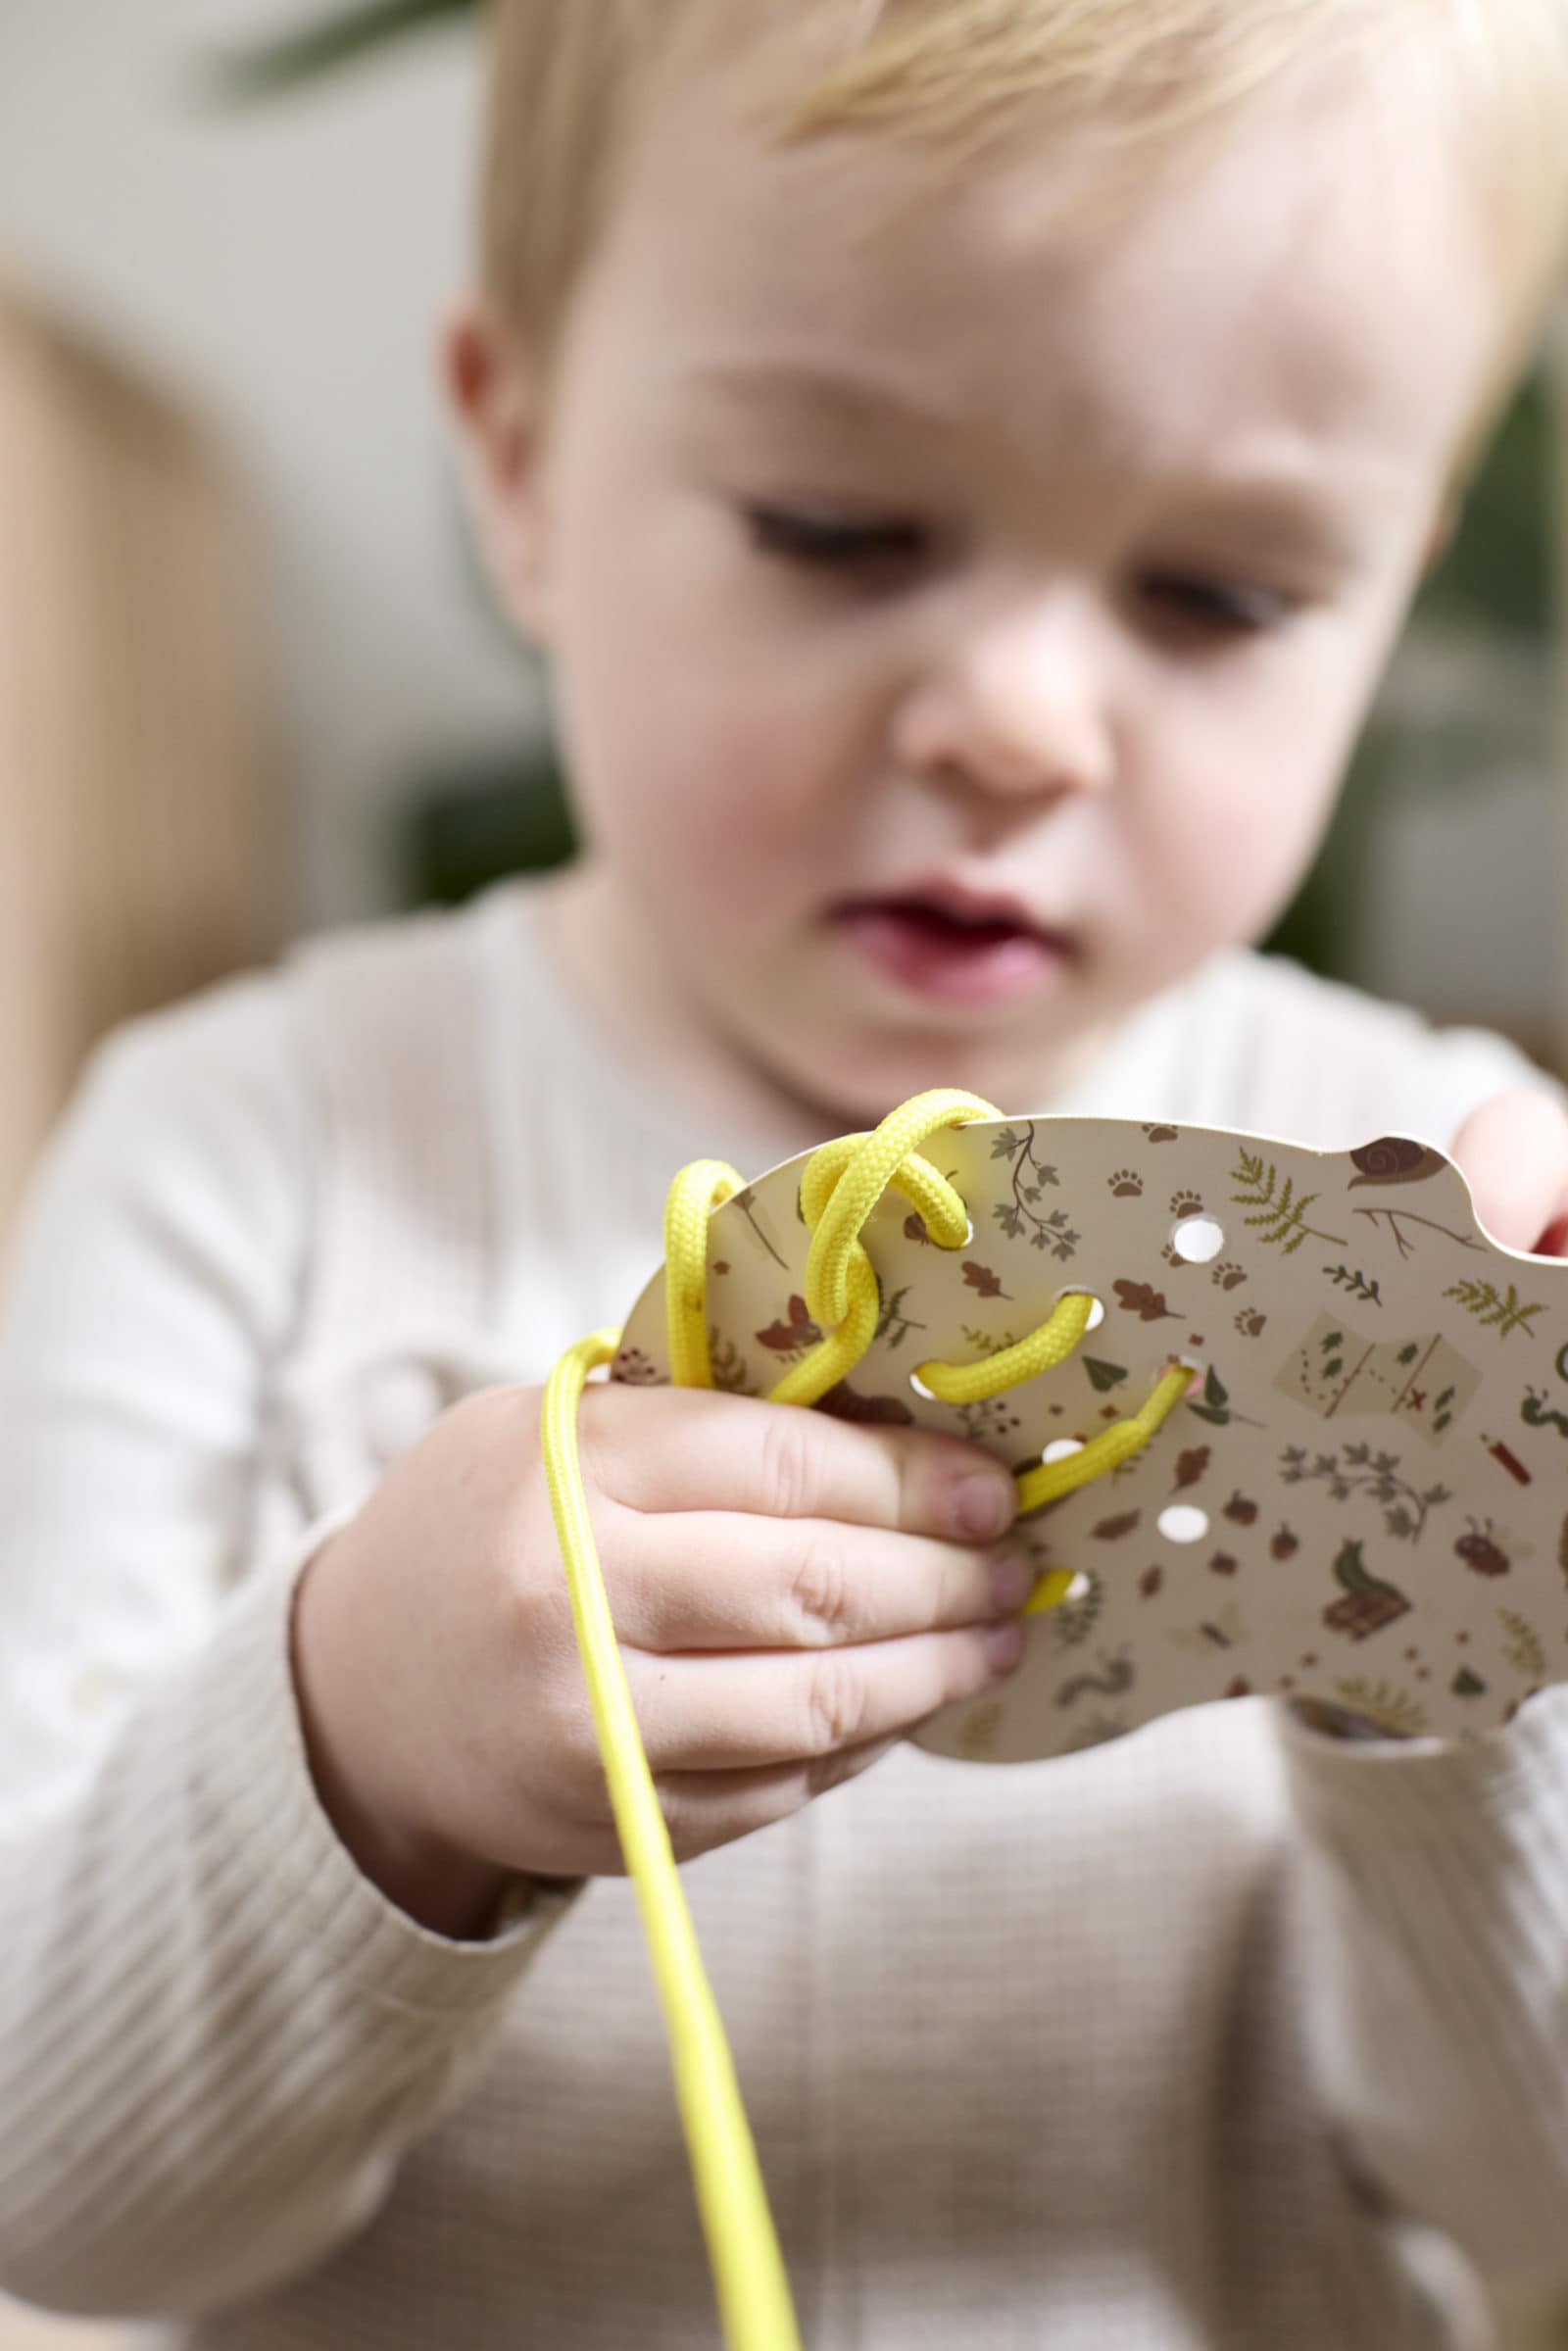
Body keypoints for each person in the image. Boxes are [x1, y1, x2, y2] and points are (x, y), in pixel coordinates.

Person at [4, 1, 1568, 2343]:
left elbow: (1523, 2212)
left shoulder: (1429, 1221)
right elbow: (54, 2204)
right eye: (839, 529)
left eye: (1220, 594)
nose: (1018, 721)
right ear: (518, 465)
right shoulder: (244, 1160)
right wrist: (362, 1763)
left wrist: (1442, 1607)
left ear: (1384, 586)